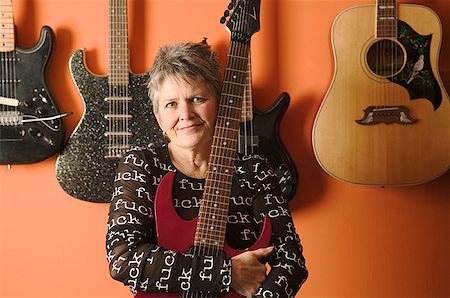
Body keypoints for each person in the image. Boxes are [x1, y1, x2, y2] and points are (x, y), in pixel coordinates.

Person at [106, 41, 308, 297]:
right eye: (171, 104)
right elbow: (124, 258)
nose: (186, 114)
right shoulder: (142, 165)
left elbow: (291, 261)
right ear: (159, 118)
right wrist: (227, 274)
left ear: (219, 107)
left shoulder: (254, 170)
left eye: (197, 99)